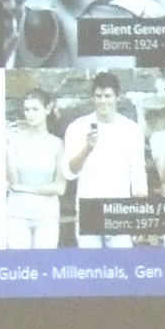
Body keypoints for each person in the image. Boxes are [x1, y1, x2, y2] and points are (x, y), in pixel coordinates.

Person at [60, 74, 150, 243]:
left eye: (108, 96)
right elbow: (69, 172)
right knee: (90, 260)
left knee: (120, 260)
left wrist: (140, 216)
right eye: (99, 96)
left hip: (120, 209)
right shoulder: (77, 127)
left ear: (117, 97)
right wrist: (87, 149)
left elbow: (138, 174)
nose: (103, 101)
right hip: (88, 208)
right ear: (93, 98)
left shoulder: (131, 129)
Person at [1, 92, 61, 246]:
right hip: (17, 214)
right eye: (27, 110)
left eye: (35, 109)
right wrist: (8, 145)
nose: (30, 115)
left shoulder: (56, 144)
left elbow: (60, 188)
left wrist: (25, 188)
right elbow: (13, 181)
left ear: (47, 109)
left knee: (44, 259)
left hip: (47, 216)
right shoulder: (15, 139)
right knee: (19, 259)